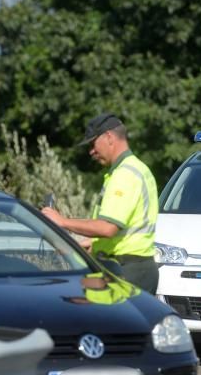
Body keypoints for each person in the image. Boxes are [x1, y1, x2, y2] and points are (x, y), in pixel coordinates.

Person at [41, 112, 160, 293]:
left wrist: (62, 221)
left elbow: (107, 228)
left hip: (127, 270)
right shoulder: (134, 169)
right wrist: (93, 243)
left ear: (109, 137)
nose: (91, 151)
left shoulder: (125, 174)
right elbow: (125, 227)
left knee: (75, 302)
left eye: (93, 143)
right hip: (133, 268)